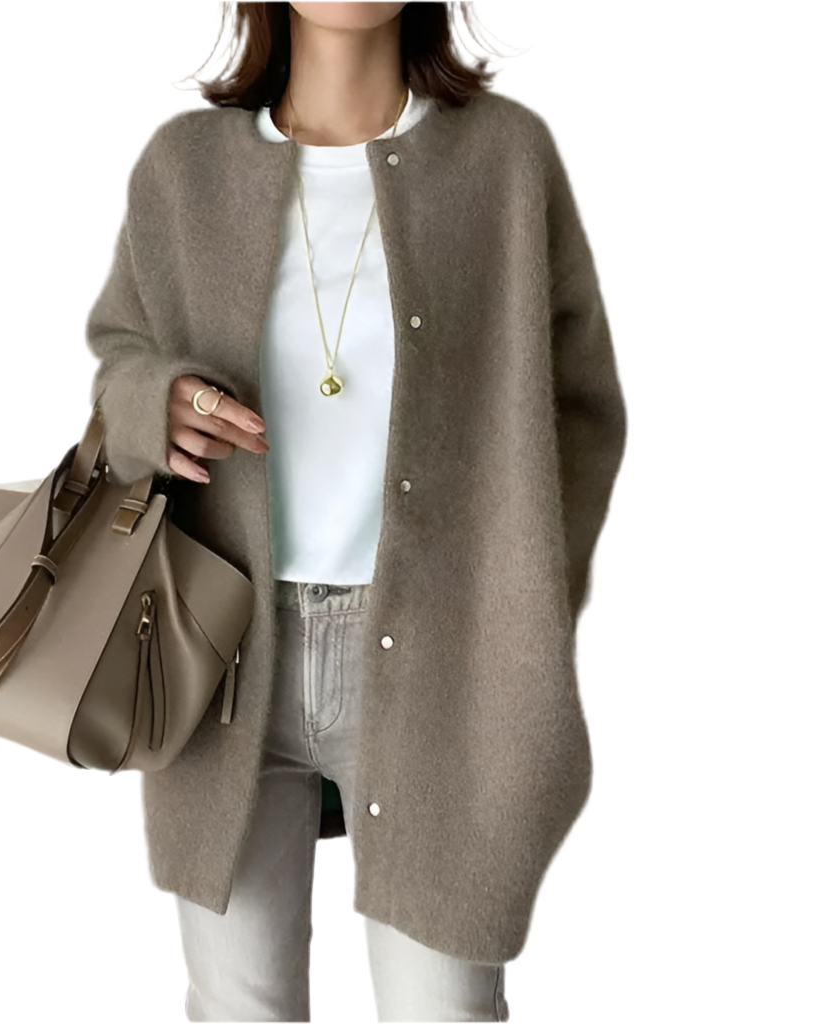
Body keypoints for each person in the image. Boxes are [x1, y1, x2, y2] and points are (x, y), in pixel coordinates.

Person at [85, 2, 626, 1020]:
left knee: (443, 1007)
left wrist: (518, 609)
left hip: (442, 661)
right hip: (222, 658)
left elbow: (582, 410)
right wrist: (154, 403)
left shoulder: (503, 161)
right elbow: (120, 364)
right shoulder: (183, 170)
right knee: (239, 1007)